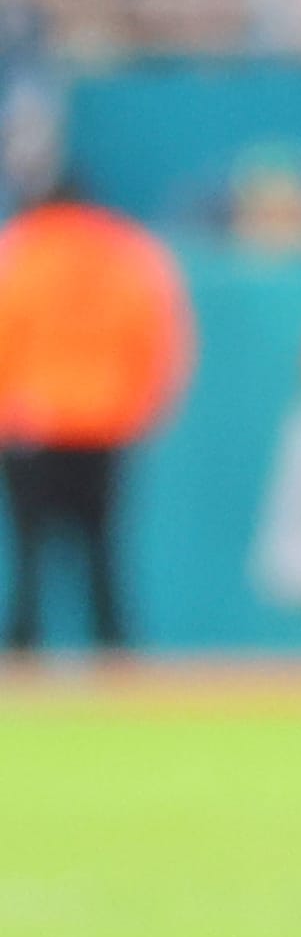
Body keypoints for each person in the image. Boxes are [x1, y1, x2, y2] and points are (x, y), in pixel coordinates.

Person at [0, 183, 193, 652]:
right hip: (105, 423)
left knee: (28, 551)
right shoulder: (125, 250)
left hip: (34, 421)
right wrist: (141, 409)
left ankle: (24, 654)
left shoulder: (22, 247)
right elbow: (156, 334)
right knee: (102, 550)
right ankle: (113, 654)